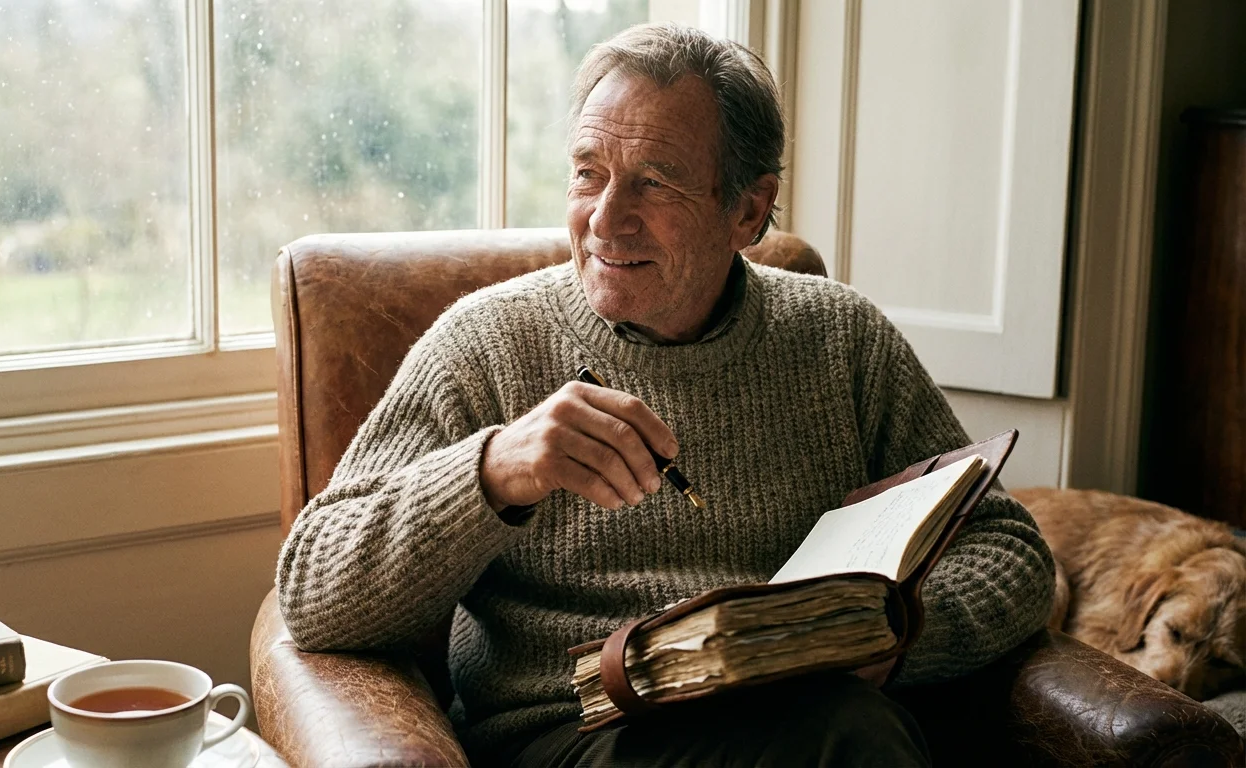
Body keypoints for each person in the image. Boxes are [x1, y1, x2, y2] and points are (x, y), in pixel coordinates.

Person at [276, 22, 1054, 767]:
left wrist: (893, 636)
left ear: (746, 210)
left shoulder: (842, 339)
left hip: (811, 716)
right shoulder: (485, 344)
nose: (606, 220)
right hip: (573, 736)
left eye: (654, 182)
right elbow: (313, 590)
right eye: (589, 173)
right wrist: (495, 470)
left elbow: (1010, 551)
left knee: (847, 731)